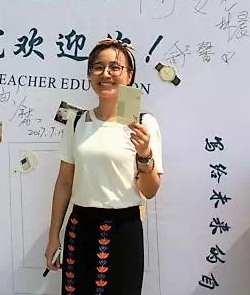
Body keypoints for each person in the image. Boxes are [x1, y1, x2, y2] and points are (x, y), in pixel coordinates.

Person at [45, 38, 164, 295]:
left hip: (124, 231)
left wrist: (144, 154)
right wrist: (54, 235)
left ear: (130, 75)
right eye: (98, 67)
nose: (105, 74)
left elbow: (150, 190)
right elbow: (64, 182)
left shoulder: (144, 124)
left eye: (115, 67)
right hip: (80, 229)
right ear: (89, 74)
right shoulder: (77, 122)